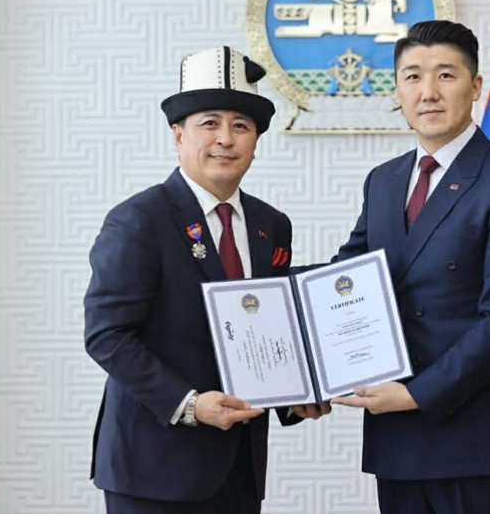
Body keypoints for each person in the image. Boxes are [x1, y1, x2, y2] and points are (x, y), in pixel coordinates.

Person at [84, 46, 327, 514]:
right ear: (178, 135)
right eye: (209, 123)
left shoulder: (271, 225)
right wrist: (190, 404)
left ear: (256, 140)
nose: (225, 139)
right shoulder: (139, 219)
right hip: (153, 467)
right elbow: (107, 336)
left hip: (239, 466)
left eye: (241, 126)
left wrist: (295, 397)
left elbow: (268, 327)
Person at [331, 20, 490, 514]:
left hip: (480, 435)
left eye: (445, 75)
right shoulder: (384, 181)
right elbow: (347, 278)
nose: (428, 92)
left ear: (475, 87)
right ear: (398, 90)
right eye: (412, 76)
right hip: (399, 437)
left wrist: (417, 395)